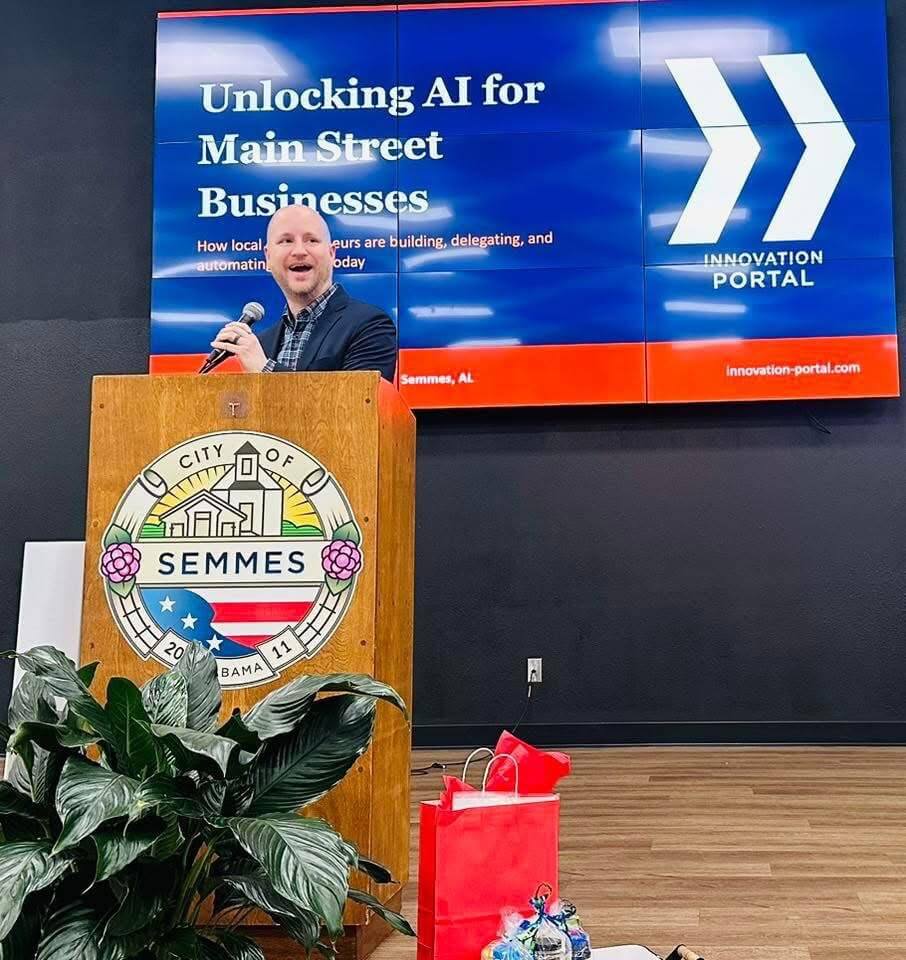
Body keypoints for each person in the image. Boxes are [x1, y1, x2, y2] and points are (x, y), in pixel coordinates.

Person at [209, 204, 397, 380]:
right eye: (286, 241)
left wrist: (265, 369)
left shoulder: (370, 326)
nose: (299, 251)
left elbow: (357, 401)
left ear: (332, 253)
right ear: (268, 257)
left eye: (312, 240)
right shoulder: (263, 343)